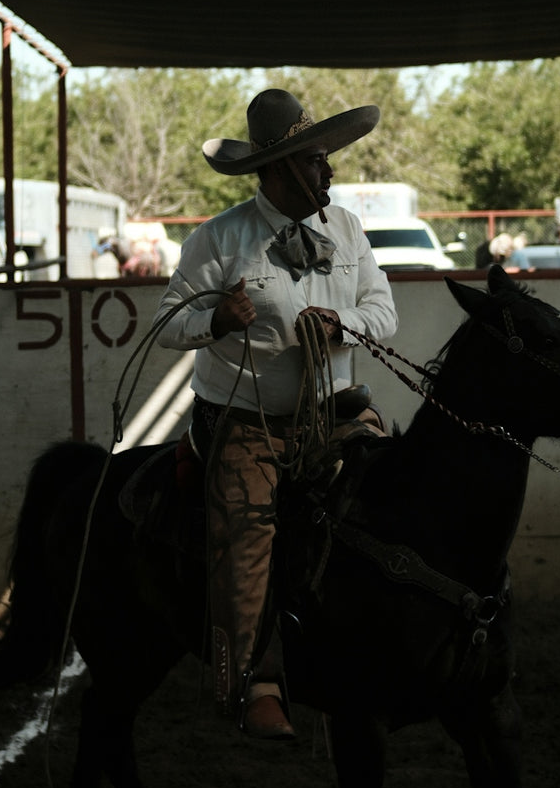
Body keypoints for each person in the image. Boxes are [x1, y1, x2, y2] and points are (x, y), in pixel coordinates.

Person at [152, 89, 399, 740]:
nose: (330, 172)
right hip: (245, 423)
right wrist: (215, 319)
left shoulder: (345, 229)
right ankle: (253, 680)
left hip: (335, 412)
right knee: (248, 529)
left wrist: (339, 322)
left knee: (393, 495)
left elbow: (384, 315)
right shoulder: (219, 239)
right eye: (318, 160)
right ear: (282, 168)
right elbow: (165, 323)